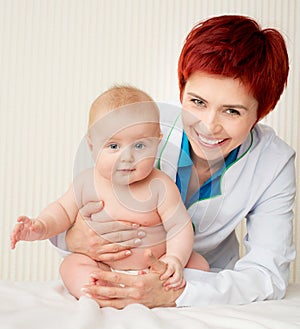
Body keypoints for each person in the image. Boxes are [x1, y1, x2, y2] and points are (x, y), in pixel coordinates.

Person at [51, 15, 296, 308]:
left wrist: (177, 293)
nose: (208, 125)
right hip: (115, 268)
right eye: (197, 102)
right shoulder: (144, 129)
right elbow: (77, 204)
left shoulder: (274, 163)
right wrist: (74, 238)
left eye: (232, 111)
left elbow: (268, 274)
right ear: (182, 91)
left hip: (199, 283)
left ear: (262, 112)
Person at [11, 85, 209, 299]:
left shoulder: (161, 186)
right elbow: (61, 210)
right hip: (103, 266)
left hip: (153, 270)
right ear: (91, 146)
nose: (127, 157)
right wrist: (40, 226)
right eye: (113, 146)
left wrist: (174, 259)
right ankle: (100, 292)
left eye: (140, 146)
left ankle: (155, 290)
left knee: (199, 265)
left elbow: (179, 226)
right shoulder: (87, 182)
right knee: (71, 265)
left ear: (157, 141)